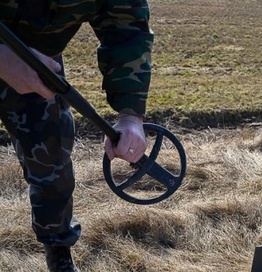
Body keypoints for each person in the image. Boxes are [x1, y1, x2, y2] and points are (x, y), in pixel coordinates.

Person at [0, 1, 153, 271]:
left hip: (39, 66)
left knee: (53, 161)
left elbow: (125, 25)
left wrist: (131, 114)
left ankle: (58, 249)